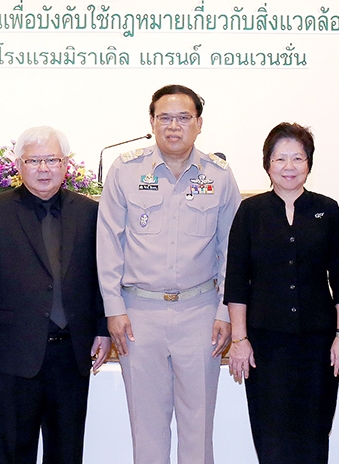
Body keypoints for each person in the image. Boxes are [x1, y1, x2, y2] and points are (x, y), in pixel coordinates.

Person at [96, 84, 241, 464]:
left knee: (198, 425)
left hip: (200, 312)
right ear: (151, 121)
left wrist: (224, 310)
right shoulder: (125, 171)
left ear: (199, 123)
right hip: (137, 314)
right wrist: (113, 308)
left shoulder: (219, 176)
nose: (173, 126)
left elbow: (233, 250)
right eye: (165, 118)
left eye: (183, 118)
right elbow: (108, 243)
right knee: (146, 427)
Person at [0, 126, 110, 464]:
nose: (44, 168)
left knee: (67, 452)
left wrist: (103, 329)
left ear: (65, 164)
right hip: (13, 352)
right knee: (14, 450)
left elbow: (101, 276)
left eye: (52, 160)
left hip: (71, 353)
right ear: (19, 165)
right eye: (34, 161)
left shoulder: (89, 212)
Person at [224, 122, 339, 463]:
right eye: (280, 158)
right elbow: (236, 281)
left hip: (318, 344)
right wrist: (239, 340)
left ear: (309, 163)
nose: (289, 166)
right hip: (265, 344)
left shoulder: (327, 210)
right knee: (271, 435)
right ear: (267, 164)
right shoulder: (250, 212)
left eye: (298, 158)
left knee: (314, 433)